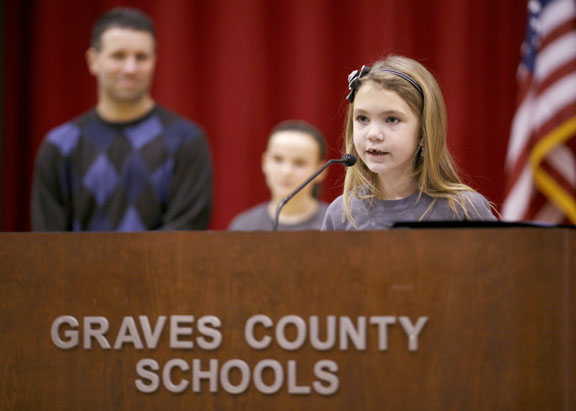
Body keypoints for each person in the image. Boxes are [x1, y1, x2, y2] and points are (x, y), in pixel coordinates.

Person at [31, 7, 212, 231]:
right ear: (93, 60)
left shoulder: (186, 140)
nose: (130, 68)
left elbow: (184, 238)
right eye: (118, 56)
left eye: (141, 57)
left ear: (155, 60)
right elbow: (47, 245)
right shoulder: (59, 146)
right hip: (75, 269)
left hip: (162, 268)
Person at [322, 55, 497, 230]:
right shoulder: (341, 213)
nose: (373, 134)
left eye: (391, 119)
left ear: (423, 131)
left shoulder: (464, 210)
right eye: (362, 118)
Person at [228, 120, 329, 231]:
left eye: (300, 163)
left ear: (321, 170)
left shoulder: (334, 224)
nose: (286, 171)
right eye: (277, 159)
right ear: (264, 162)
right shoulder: (244, 227)